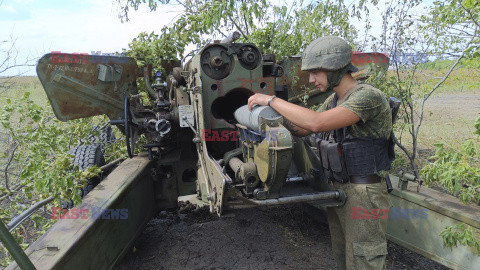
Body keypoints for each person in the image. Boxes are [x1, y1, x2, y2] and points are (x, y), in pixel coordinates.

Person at [247, 36, 393, 270]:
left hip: (365, 194)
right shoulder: (335, 100)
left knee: (365, 260)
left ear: (335, 68)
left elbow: (316, 123)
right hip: (339, 190)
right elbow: (302, 129)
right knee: (344, 257)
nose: (311, 79)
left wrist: (271, 100)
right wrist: (269, 119)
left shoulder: (368, 96)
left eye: (316, 72)